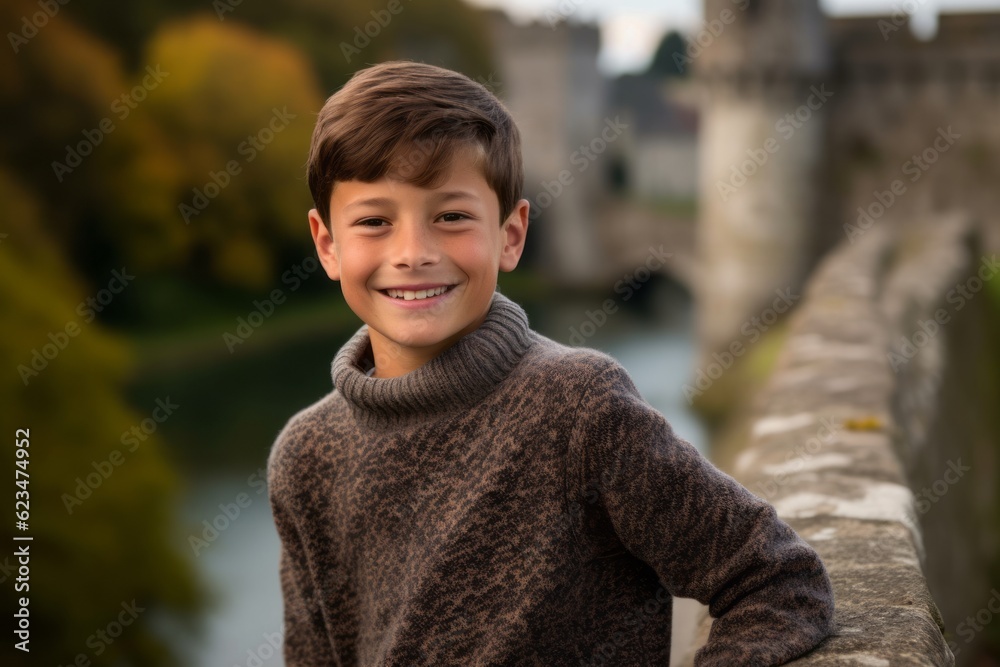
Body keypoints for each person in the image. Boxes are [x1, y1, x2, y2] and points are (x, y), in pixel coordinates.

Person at [267, 60, 835, 666]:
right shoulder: (305, 457)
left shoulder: (579, 406)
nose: (413, 253)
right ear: (327, 244)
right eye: (375, 222)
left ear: (512, 235)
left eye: (452, 216)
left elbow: (780, 583)